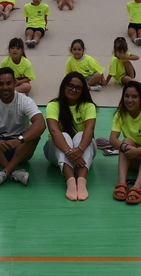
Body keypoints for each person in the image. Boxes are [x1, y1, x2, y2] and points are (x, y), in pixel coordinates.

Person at [45, 72, 98, 201]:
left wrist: (79, 149)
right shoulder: (53, 105)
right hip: (56, 151)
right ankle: (70, 181)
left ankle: (81, 181)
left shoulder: (89, 106)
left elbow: (90, 129)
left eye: (78, 87)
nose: (73, 90)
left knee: (82, 134)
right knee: (63, 135)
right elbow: (53, 130)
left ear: (83, 90)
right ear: (64, 86)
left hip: (82, 150)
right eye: (70, 85)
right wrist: (69, 152)